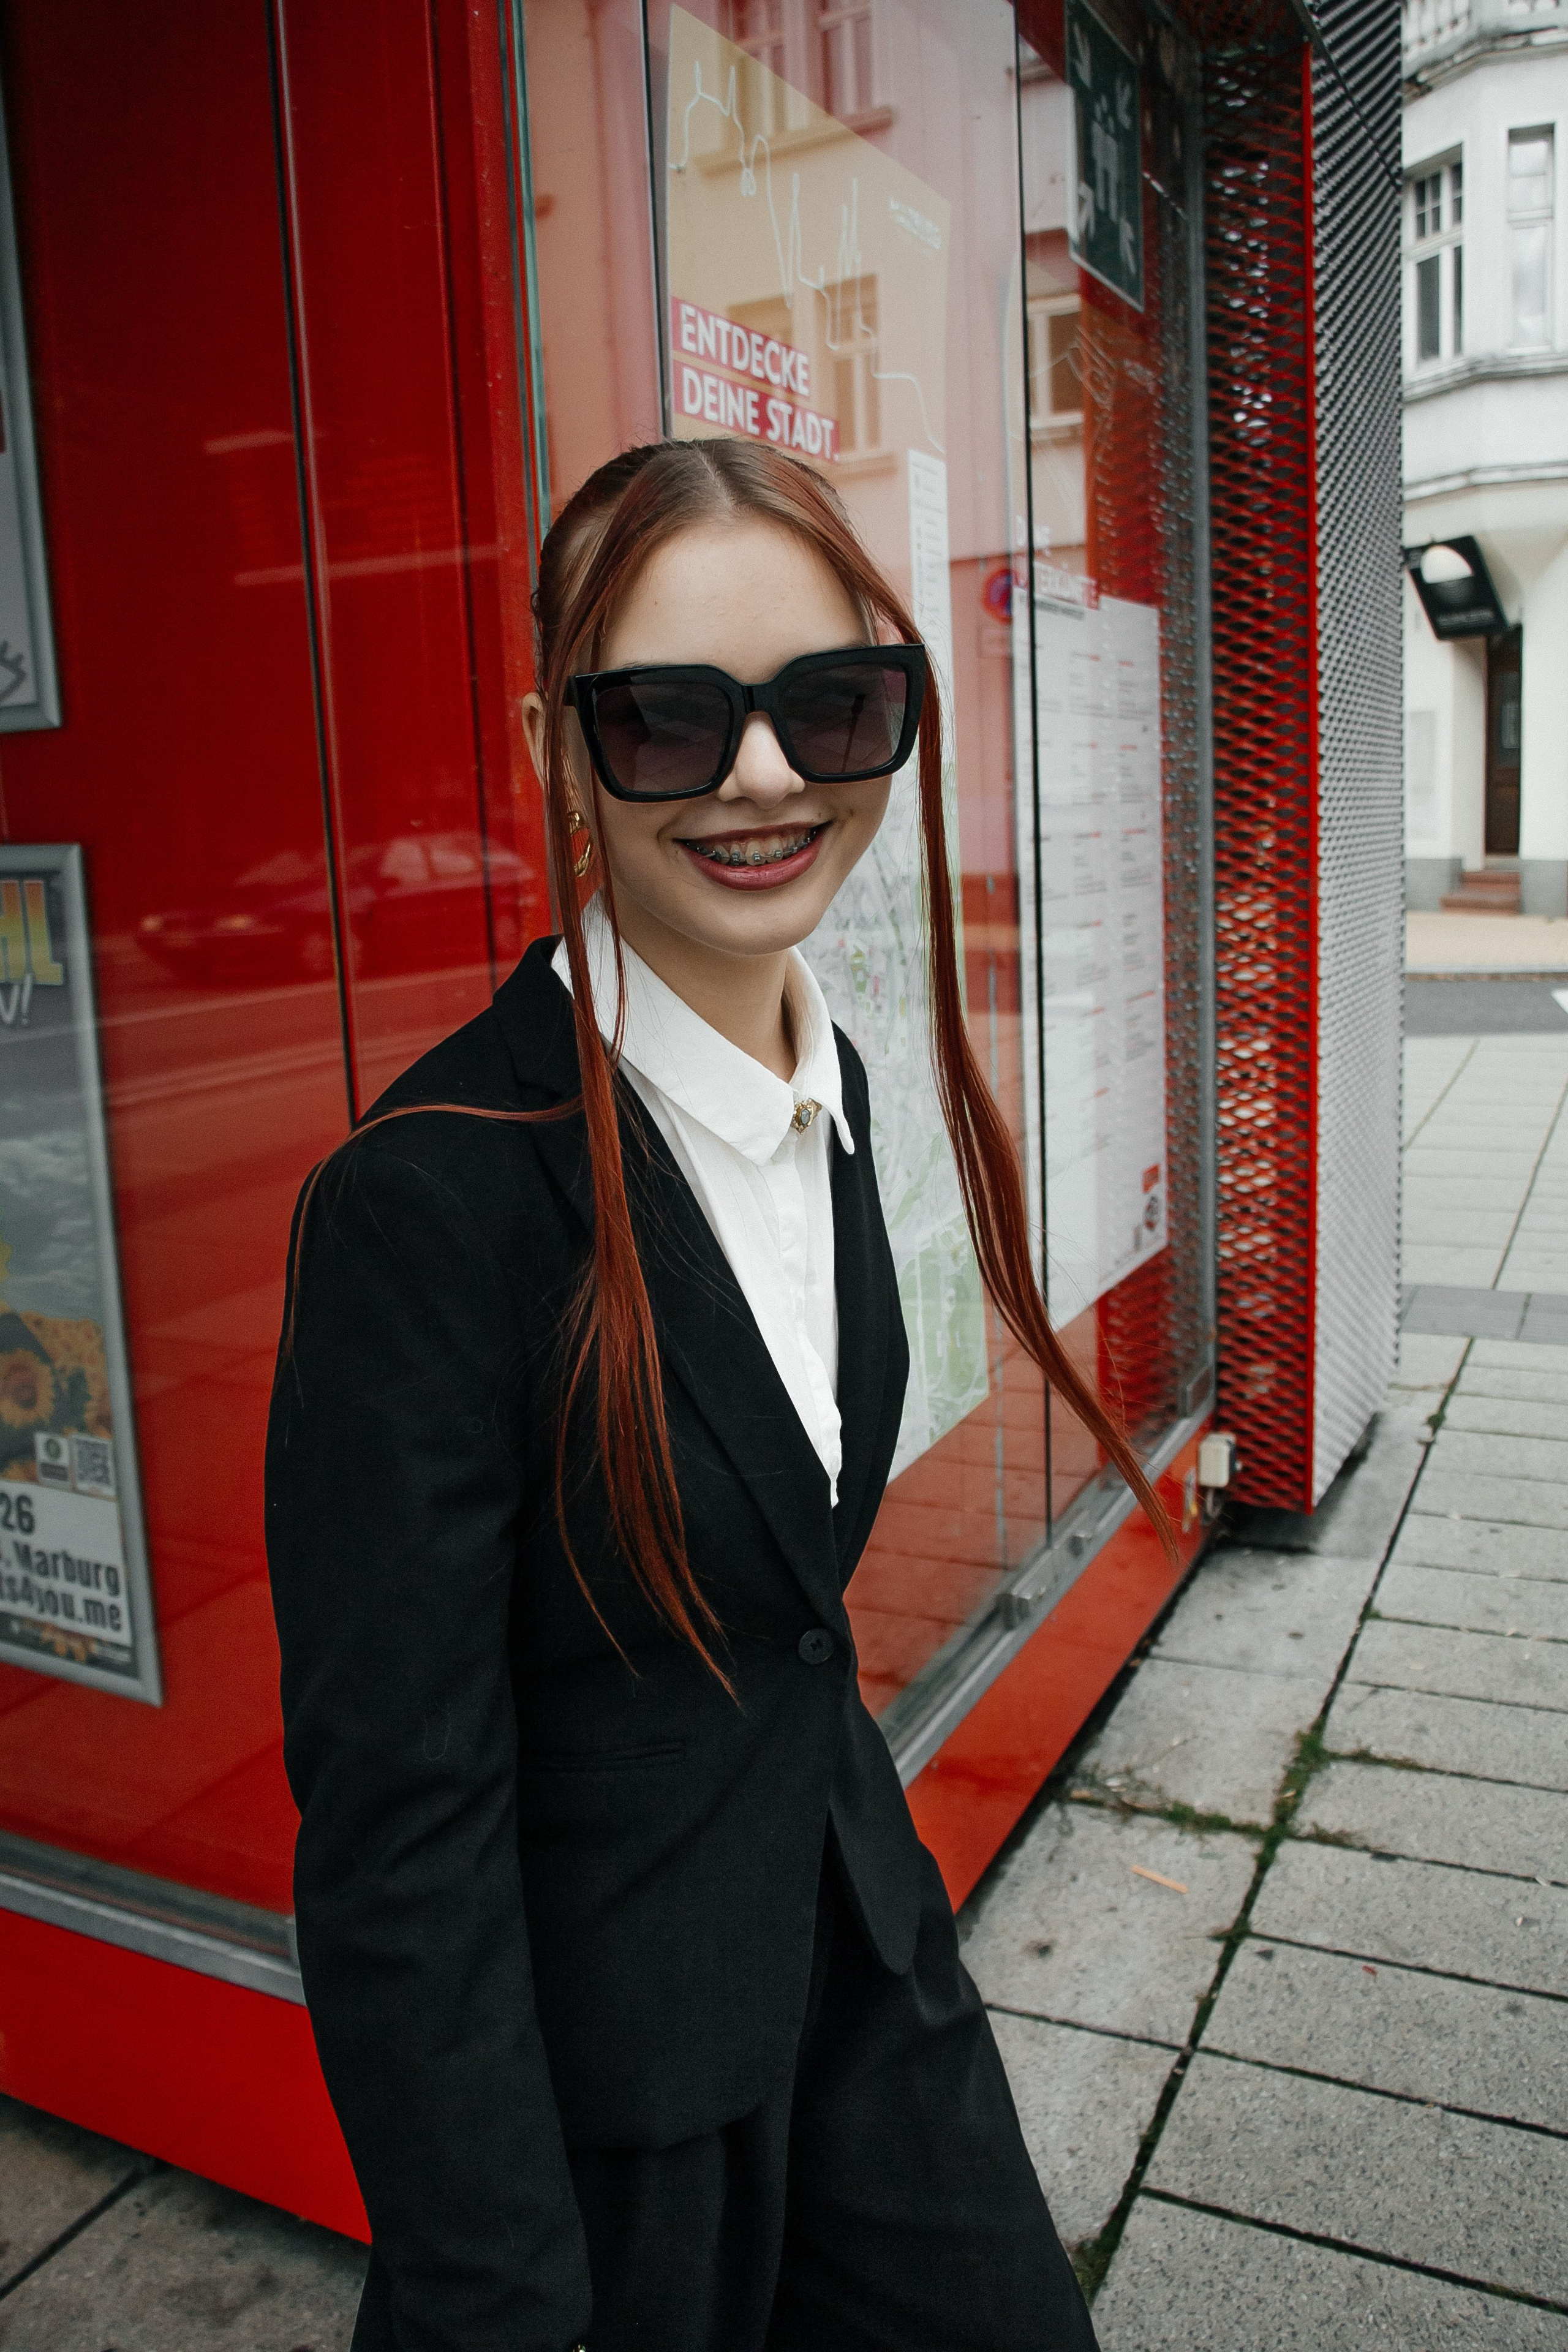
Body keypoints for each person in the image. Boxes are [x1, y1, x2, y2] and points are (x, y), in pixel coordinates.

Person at [266, 436, 1166, 2352]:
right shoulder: (428, 1201)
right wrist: (500, 2283)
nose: (767, 778)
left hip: (861, 1968)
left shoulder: (823, 1088)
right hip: (615, 2123)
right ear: (554, 743)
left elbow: (775, 1616)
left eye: (832, 708)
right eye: (669, 722)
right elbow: (396, 1831)